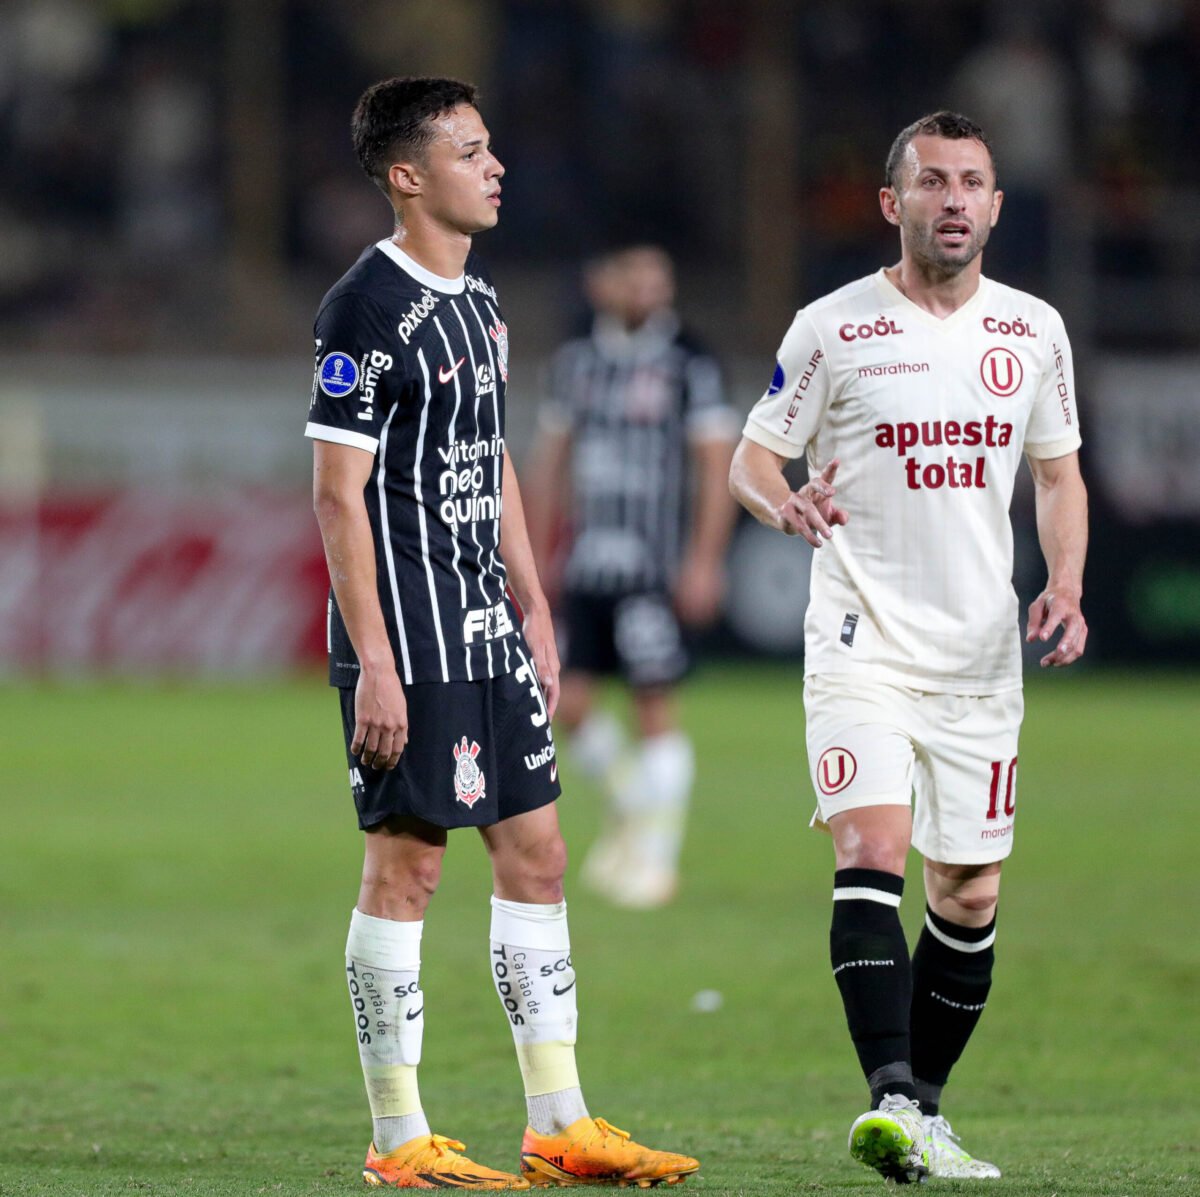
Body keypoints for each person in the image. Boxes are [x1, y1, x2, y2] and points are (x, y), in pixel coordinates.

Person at [305, 76, 699, 1191]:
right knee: (408, 869)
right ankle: (397, 1136)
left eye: (490, 149)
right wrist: (373, 659)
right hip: (412, 637)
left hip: (488, 625)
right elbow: (338, 496)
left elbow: (495, 460)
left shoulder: (481, 302)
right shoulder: (362, 310)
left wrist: (534, 600)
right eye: (471, 151)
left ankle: (559, 1121)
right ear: (407, 174)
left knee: (539, 855)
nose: (496, 167)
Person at [728, 111, 1087, 1183]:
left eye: (973, 181)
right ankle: (886, 1092)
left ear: (996, 206)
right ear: (894, 204)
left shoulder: (1033, 332)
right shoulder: (832, 327)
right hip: (860, 642)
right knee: (870, 851)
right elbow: (751, 457)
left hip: (980, 655)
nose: (954, 200)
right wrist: (782, 504)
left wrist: (1065, 581)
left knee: (967, 895)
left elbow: (1059, 475)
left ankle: (922, 1113)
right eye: (932, 181)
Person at [527, 245, 737, 909]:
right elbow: (547, 465)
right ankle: (632, 814)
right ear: (600, 283)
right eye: (633, 275)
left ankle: (656, 860)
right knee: (572, 705)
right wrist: (529, 563)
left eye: (658, 275)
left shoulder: (689, 362)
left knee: (654, 707)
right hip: (588, 564)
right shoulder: (576, 364)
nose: (648, 287)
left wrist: (704, 560)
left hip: (653, 568)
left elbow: (715, 465)